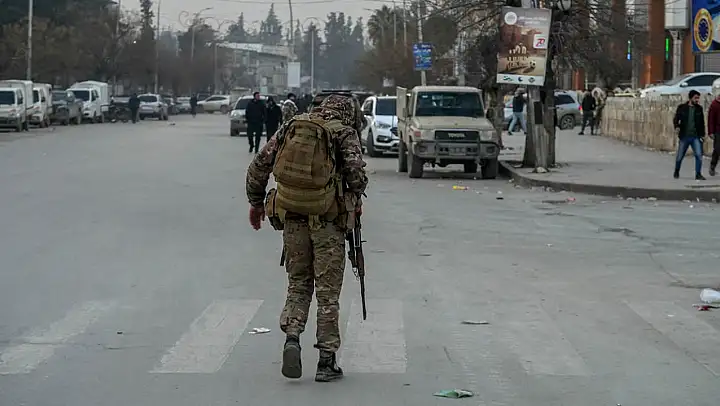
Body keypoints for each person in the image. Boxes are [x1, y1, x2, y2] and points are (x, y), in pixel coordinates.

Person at [245, 94, 368, 383]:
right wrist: (356, 194)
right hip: (328, 224)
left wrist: (256, 203)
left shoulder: (292, 126)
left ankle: (292, 337)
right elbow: (355, 176)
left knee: (298, 284)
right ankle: (326, 360)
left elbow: (259, 165)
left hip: (293, 219)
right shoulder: (344, 133)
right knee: (327, 292)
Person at [673, 90, 706, 180]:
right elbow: (676, 119)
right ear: (690, 98)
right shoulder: (682, 108)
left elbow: (702, 123)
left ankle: (698, 174)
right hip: (684, 136)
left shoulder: (699, 109)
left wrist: (702, 135)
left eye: (698, 98)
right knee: (680, 156)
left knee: (699, 155)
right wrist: (677, 126)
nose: (697, 100)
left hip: (696, 136)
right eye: (695, 98)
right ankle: (677, 171)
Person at [708, 92, 720, 176]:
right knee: (717, 149)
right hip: (718, 130)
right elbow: (711, 119)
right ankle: (712, 166)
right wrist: (711, 132)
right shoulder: (714, 104)